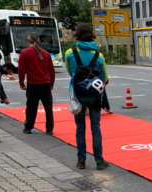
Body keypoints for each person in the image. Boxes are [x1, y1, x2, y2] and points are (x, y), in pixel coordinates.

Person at [65, 24, 109, 171]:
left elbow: (70, 73)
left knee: (80, 128)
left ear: (77, 34)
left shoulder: (70, 53)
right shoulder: (99, 55)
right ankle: (99, 161)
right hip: (95, 97)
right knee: (95, 128)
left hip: (78, 95)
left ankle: (81, 161)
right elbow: (105, 78)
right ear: (91, 35)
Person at [18, 32, 55, 134]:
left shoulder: (24, 53)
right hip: (45, 83)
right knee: (48, 107)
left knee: (31, 107)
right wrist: (51, 83)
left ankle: (28, 127)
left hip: (33, 84)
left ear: (28, 41)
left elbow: (21, 70)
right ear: (39, 42)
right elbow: (51, 71)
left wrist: (21, 83)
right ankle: (49, 128)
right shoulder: (46, 54)